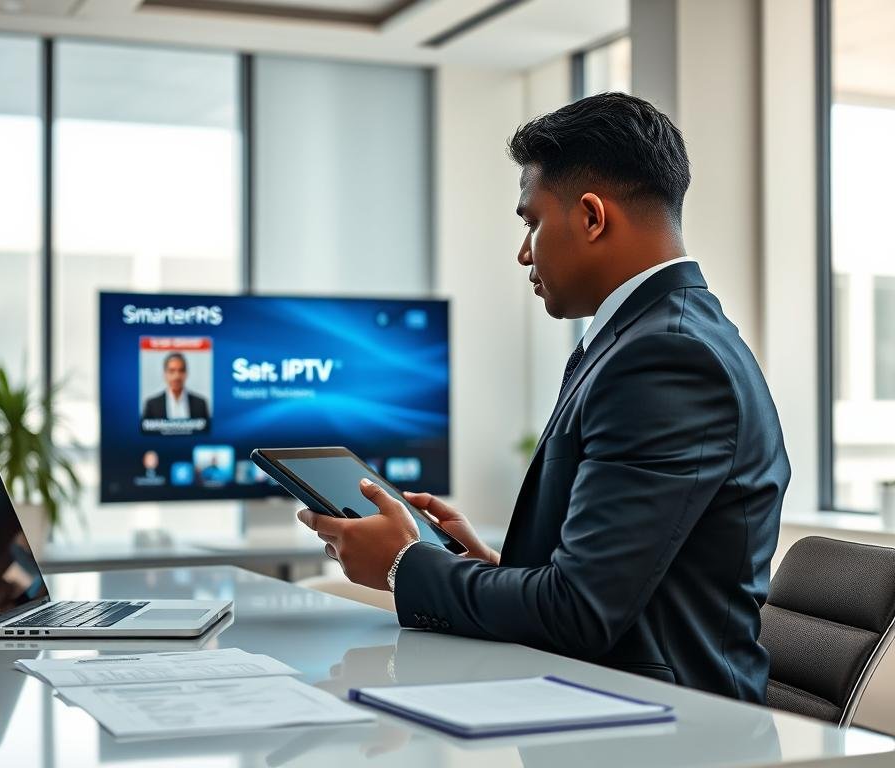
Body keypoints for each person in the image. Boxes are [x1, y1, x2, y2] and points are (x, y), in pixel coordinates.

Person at [296, 93, 791, 703]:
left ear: (591, 217)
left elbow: (580, 613)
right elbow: (606, 583)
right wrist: (483, 564)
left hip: (662, 732)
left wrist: (405, 565)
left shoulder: (666, 357)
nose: (524, 251)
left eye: (531, 221)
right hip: (603, 707)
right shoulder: (639, 338)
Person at [142, 352, 210, 421]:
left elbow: (206, 430)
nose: (177, 376)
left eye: (181, 371)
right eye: (172, 371)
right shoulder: (152, 405)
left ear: (186, 373)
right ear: (165, 374)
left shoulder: (200, 404)